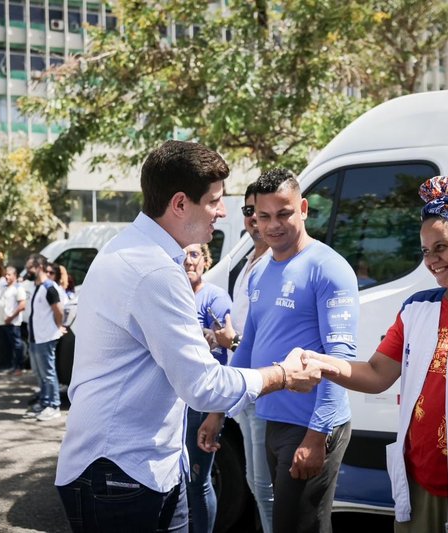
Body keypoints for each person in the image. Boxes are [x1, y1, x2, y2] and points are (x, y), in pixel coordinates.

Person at [54, 141, 337, 533]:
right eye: (215, 201)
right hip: (120, 474)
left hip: (149, 469)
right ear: (180, 204)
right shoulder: (153, 270)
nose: (224, 212)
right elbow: (203, 385)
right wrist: (282, 375)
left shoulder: (131, 251)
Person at [310, 176, 448, 532]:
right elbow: (376, 373)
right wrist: (322, 364)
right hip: (418, 483)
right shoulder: (417, 309)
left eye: (442, 247)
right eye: (425, 251)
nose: (432, 260)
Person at [206, 168, 357, 533]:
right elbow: (248, 351)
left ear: (303, 208)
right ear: (253, 218)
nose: (273, 225)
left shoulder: (328, 268)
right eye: (264, 216)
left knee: (301, 526)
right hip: (274, 420)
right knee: (282, 522)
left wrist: (316, 436)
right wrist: (217, 412)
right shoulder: (260, 272)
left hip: (310, 424)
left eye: (284, 213)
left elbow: (341, 361)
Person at [204, 181, 275, 533]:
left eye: (260, 212)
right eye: (249, 211)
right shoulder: (249, 262)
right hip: (243, 390)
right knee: (254, 482)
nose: (253, 218)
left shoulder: (277, 264)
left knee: (266, 487)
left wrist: (231, 341)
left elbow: (269, 340)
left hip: (264, 389)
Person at [182, 243, 232, 533]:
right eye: (183, 256)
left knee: (198, 481)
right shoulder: (173, 296)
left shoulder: (215, 299)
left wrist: (218, 410)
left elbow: (231, 353)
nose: (188, 262)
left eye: (194, 255)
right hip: (175, 401)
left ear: (205, 261)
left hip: (203, 403)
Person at [24, 254, 66, 421]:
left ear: (39, 266)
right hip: (36, 337)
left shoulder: (49, 287)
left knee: (48, 373)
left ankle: (53, 405)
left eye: (30, 268)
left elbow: (59, 311)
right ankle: (44, 402)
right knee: (40, 373)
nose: (27, 271)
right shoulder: (37, 287)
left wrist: (57, 327)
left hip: (46, 338)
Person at [0, 266, 27, 376]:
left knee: (17, 345)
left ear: (15, 275)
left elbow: (22, 305)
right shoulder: (4, 287)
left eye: (9, 274)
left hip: (12, 323)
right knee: (8, 346)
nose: (6, 276)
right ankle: (12, 366)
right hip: (3, 322)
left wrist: (11, 317)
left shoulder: (18, 288)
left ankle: (19, 367)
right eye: (6, 274)